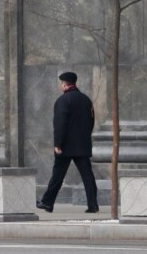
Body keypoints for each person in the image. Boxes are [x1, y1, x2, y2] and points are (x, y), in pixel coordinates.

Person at [37, 72, 99, 213]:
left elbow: (60, 124)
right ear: (74, 83)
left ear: (64, 85)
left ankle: (47, 202)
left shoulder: (63, 101)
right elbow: (91, 122)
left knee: (57, 176)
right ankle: (93, 205)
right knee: (87, 176)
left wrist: (58, 144)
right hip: (82, 145)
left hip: (65, 147)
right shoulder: (86, 100)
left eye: (61, 84)